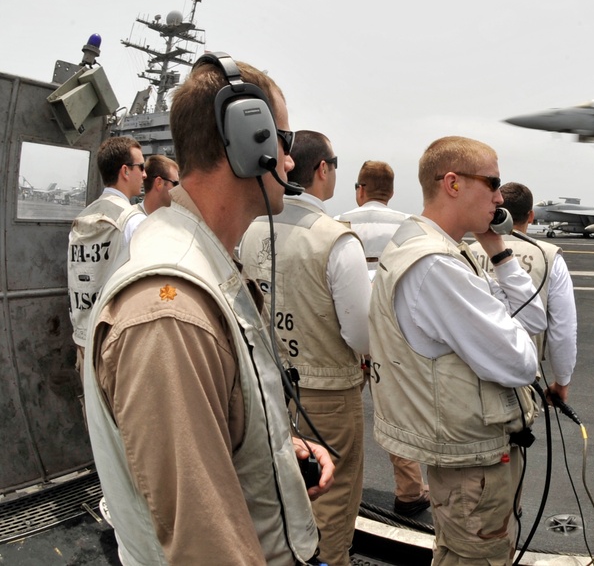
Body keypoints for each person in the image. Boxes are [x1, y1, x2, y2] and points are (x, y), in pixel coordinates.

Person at [83, 53, 334, 565]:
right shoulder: (170, 311)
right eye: (282, 142)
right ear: (247, 140)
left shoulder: (203, 260)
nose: (290, 163)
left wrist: (271, 446)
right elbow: (205, 543)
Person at [368, 136, 545, 565]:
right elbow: (522, 362)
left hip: (465, 456)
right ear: (452, 183)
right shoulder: (438, 266)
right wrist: (509, 329)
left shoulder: (435, 247)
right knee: (479, 557)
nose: (500, 198)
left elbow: (533, 319)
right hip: (474, 463)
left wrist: (497, 249)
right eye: (493, 183)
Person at [241, 131, 370, 566]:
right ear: (323, 169)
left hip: (267, 383)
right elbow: (361, 335)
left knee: (278, 493)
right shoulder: (335, 239)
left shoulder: (252, 229)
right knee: (332, 500)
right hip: (327, 393)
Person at [334, 160, 431, 517]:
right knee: (395, 413)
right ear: (390, 192)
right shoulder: (409, 226)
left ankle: (334, 483)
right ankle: (409, 491)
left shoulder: (338, 223)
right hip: (392, 333)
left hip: (346, 332)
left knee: (340, 412)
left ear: (360, 189)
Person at [469, 182, 578, 406]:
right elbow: (563, 330)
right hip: (520, 380)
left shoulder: (468, 252)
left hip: (470, 380)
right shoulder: (549, 256)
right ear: (531, 216)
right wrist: (562, 382)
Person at [67, 135, 145, 378]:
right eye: (141, 167)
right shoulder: (133, 221)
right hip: (117, 349)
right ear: (125, 171)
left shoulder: (83, 218)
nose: (144, 174)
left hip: (83, 340)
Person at [122, 153, 179, 237]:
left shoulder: (175, 223)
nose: (179, 189)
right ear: (159, 183)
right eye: (176, 184)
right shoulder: (129, 222)